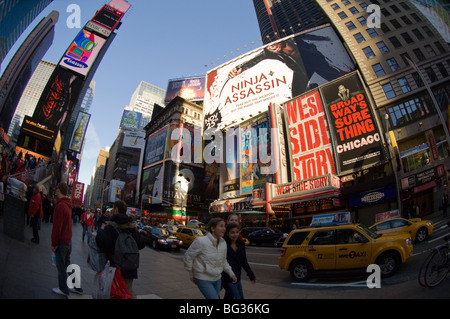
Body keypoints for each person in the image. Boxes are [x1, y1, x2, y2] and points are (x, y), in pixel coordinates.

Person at [95, 200, 145, 298]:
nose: (112, 211)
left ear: (117, 209)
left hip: (115, 267)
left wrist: (101, 230)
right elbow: (141, 244)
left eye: (113, 208)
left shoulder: (111, 226)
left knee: (113, 292)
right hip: (130, 266)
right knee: (127, 291)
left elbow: (102, 242)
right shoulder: (131, 226)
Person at [183, 218, 237, 299]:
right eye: (221, 226)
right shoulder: (201, 241)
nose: (224, 229)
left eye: (224, 226)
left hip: (217, 278)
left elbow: (223, 261)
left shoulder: (223, 243)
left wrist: (231, 273)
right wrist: (191, 273)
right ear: (213, 228)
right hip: (203, 278)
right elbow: (188, 257)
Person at [51, 182, 83, 296]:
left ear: (59, 190)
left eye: (56, 189)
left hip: (62, 242)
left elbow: (57, 227)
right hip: (68, 241)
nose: (55, 190)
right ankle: (77, 287)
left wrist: (54, 243)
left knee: (61, 267)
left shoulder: (61, 206)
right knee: (68, 266)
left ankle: (63, 289)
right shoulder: (67, 205)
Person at [222, 223, 256, 299]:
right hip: (226, 277)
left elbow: (244, 261)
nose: (235, 235)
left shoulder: (241, 245)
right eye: (232, 232)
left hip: (237, 276)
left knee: (234, 296)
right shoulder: (223, 245)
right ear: (227, 233)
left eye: (237, 232)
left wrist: (251, 275)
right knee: (237, 296)